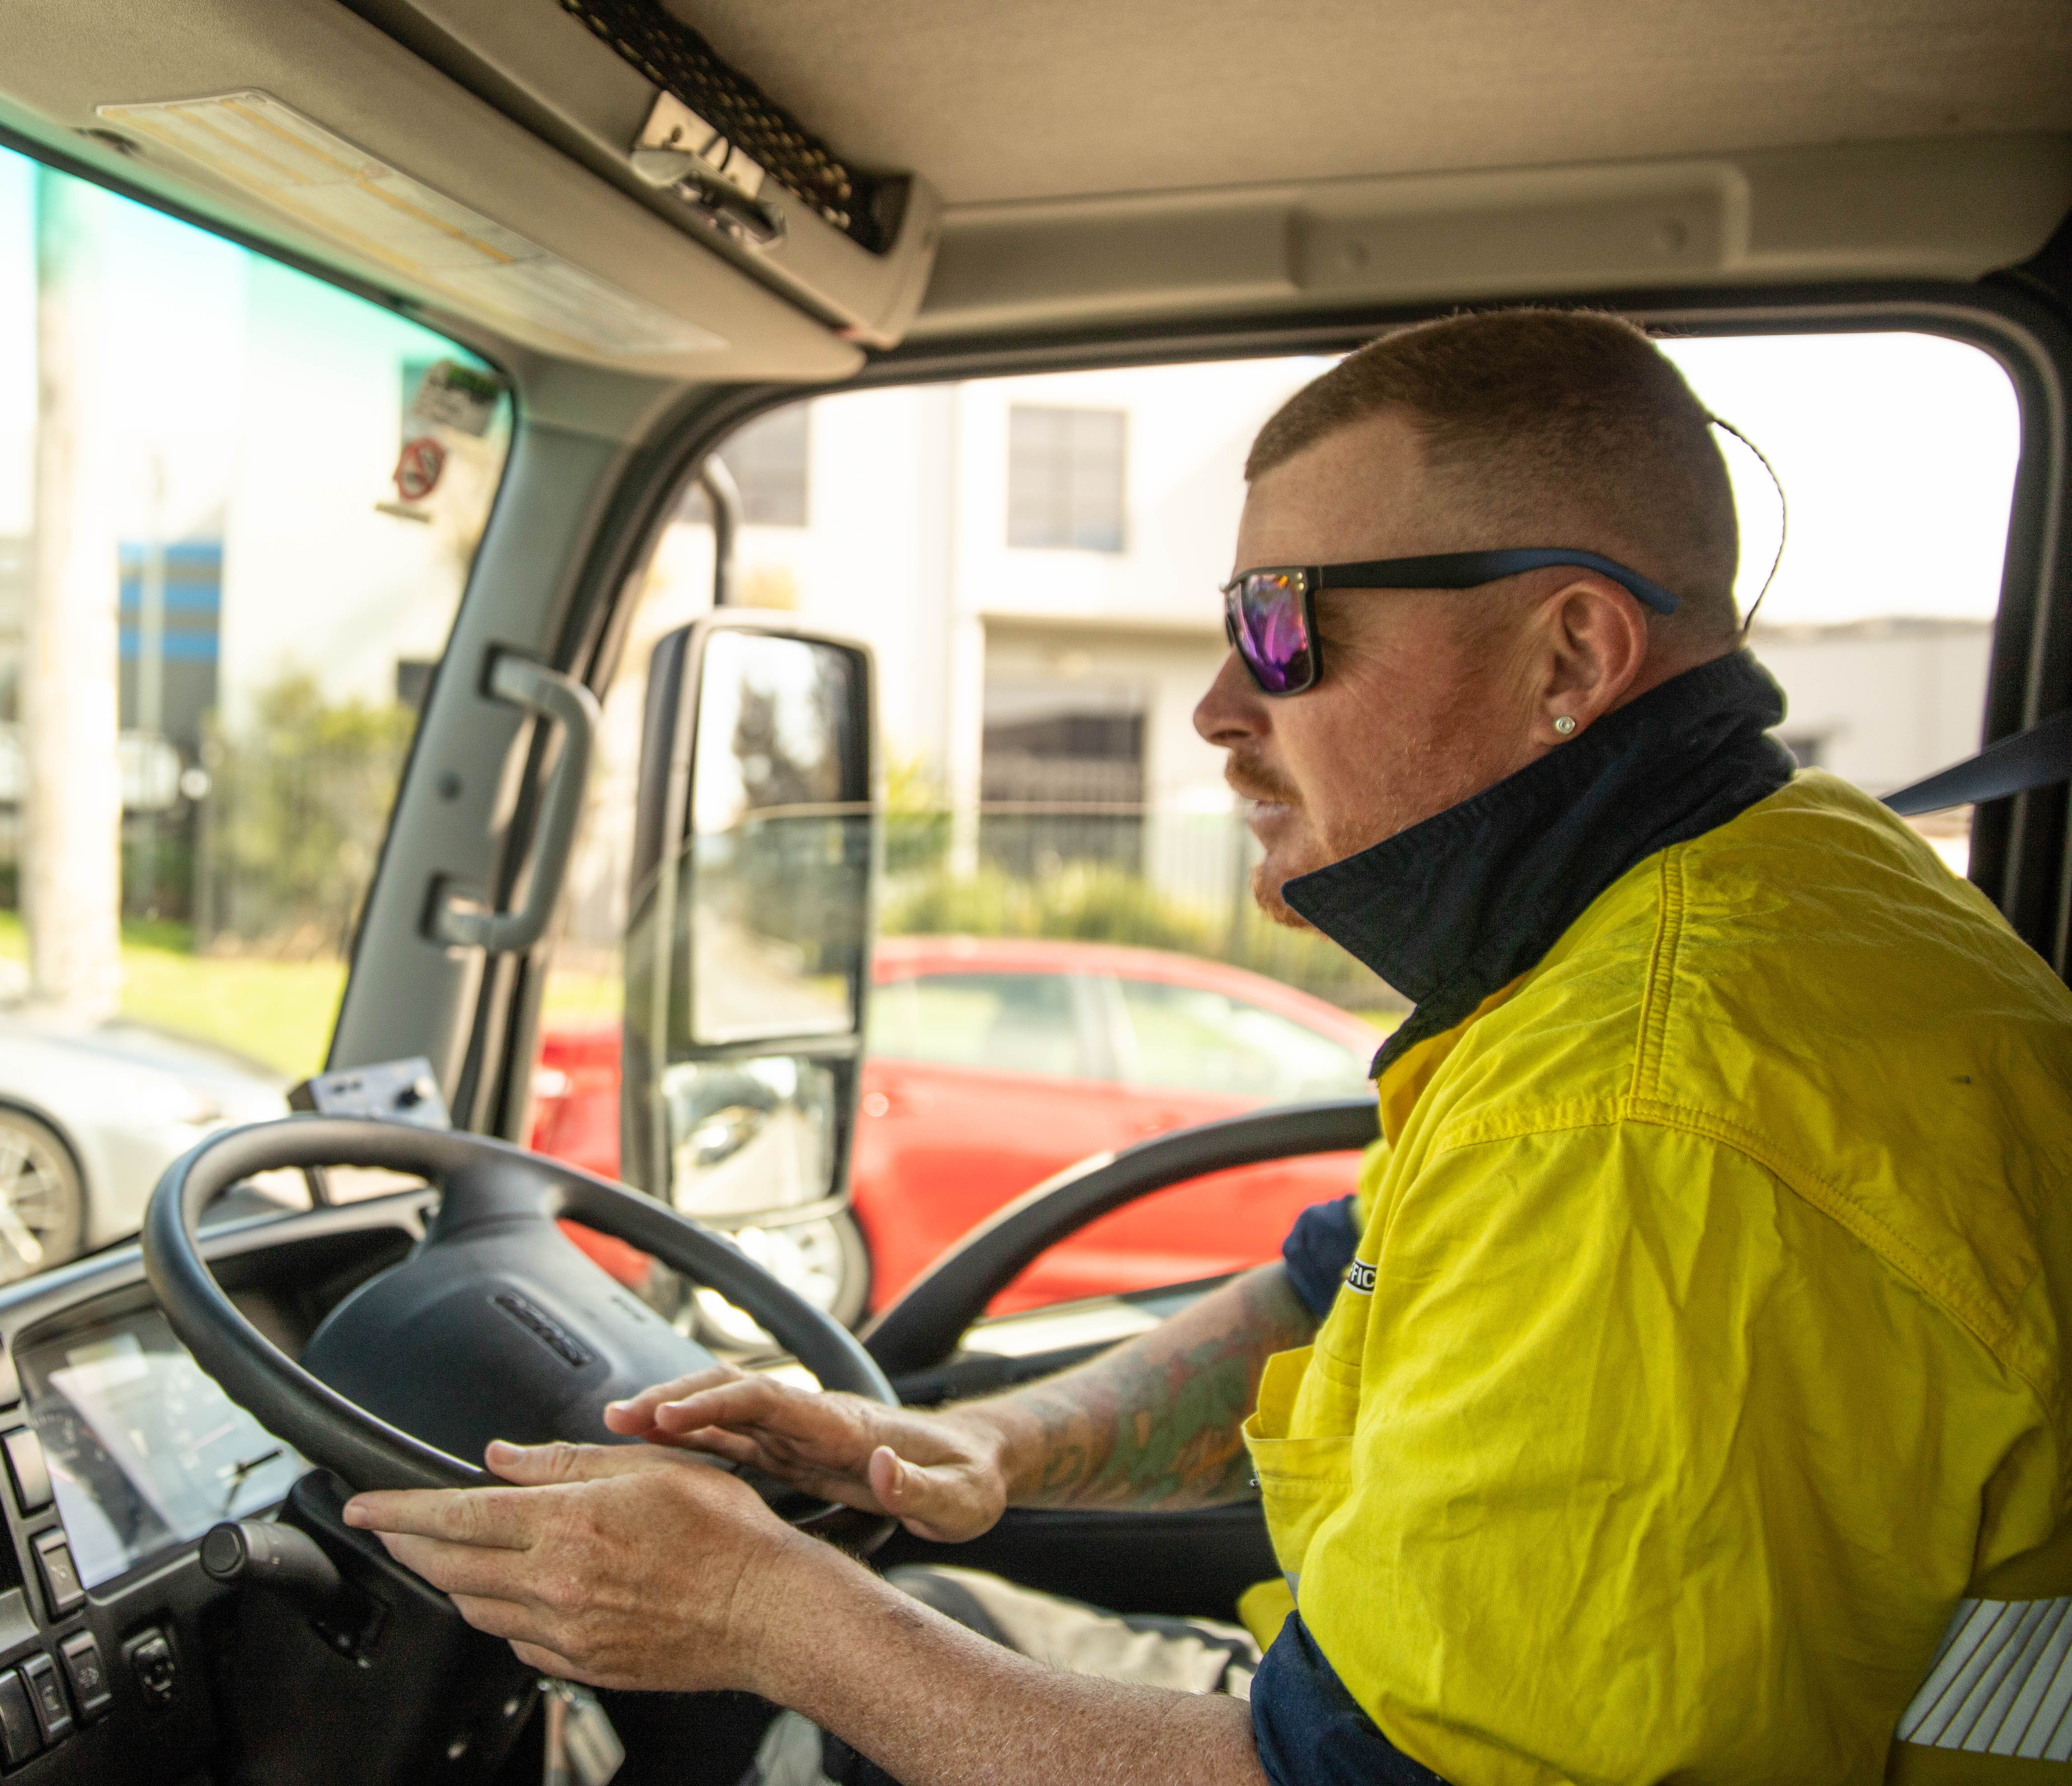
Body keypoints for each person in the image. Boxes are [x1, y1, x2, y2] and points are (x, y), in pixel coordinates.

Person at [346, 310, 2072, 1783]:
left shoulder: (1652, 1115)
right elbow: (1338, 1289)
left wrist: (762, 1612)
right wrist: (991, 1446)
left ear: (1576, 650)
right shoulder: (1731, 901)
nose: (1219, 707)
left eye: (1282, 624)